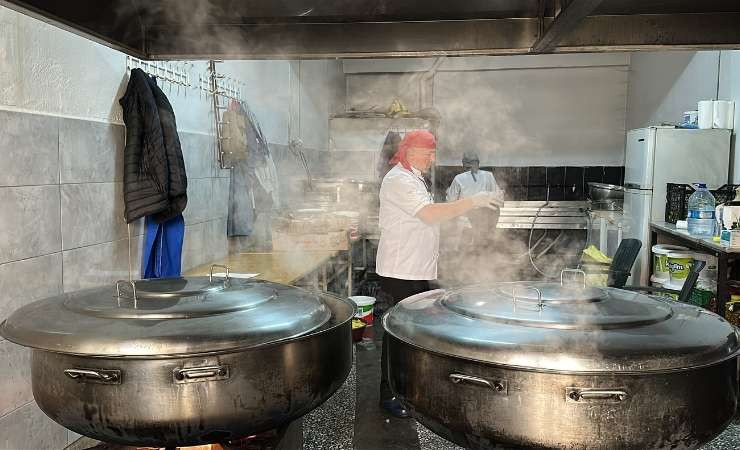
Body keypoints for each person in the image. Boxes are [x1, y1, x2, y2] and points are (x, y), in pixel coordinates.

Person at [376, 130, 501, 418]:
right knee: (399, 332)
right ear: (409, 152)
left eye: (433, 153)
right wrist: (474, 201)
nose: (433, 159)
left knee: (408, 329)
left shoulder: (413, 177)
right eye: (427, 153)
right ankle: (390, 393)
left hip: (414, 266)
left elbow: (431, 215)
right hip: (401, 269)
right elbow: (429, 214)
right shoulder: (397, 180)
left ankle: (405, 386)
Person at [446, 152, 504, 254]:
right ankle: (483, 253)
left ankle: (465, 253)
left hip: (470, 217)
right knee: (483, 241)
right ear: (478, 163)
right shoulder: (488, 176)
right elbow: (498, 197)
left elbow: (450, 201)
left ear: (464, 164)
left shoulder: (458, 178)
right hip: (487, 218)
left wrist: (448, 192)